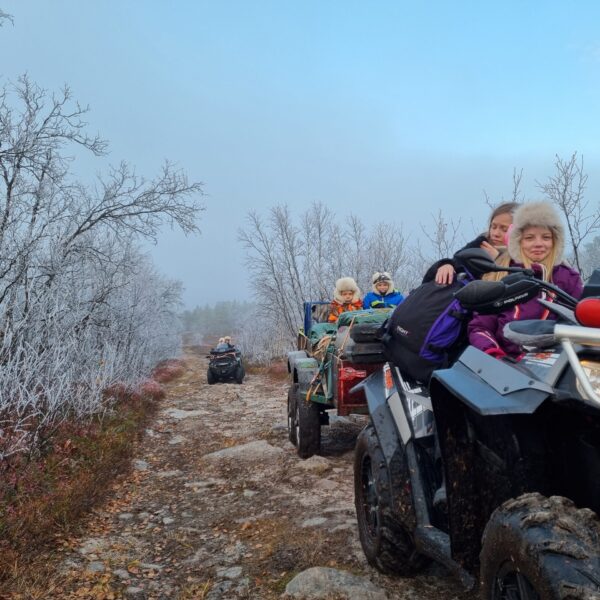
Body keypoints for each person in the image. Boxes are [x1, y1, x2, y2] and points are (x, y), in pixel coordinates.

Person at [468, 201, 583, 359]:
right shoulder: (500, 276)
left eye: (546, 237)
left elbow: (578, 325)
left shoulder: (569, 278)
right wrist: (495, 356)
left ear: (555, 241)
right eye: (529, 238)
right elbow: (480, 327)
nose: (538, 244)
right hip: (507, 366)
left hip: (555, 366)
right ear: (519, 242)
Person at [432, 202, 520, 285]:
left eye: (504, 229)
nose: (496, 233)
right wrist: (447, 265)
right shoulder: (478, 246)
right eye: (493, 227)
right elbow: (457, 260)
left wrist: (498, 260)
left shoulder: (523, 259)